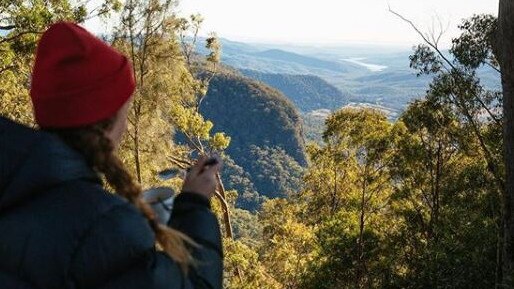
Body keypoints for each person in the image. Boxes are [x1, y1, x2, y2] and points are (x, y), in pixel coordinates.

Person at [0, 22, 223, 289]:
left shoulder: (15, 181)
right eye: (126, 112)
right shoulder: (103, 229)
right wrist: (195, 204)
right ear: (109, 126)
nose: (127, 126)